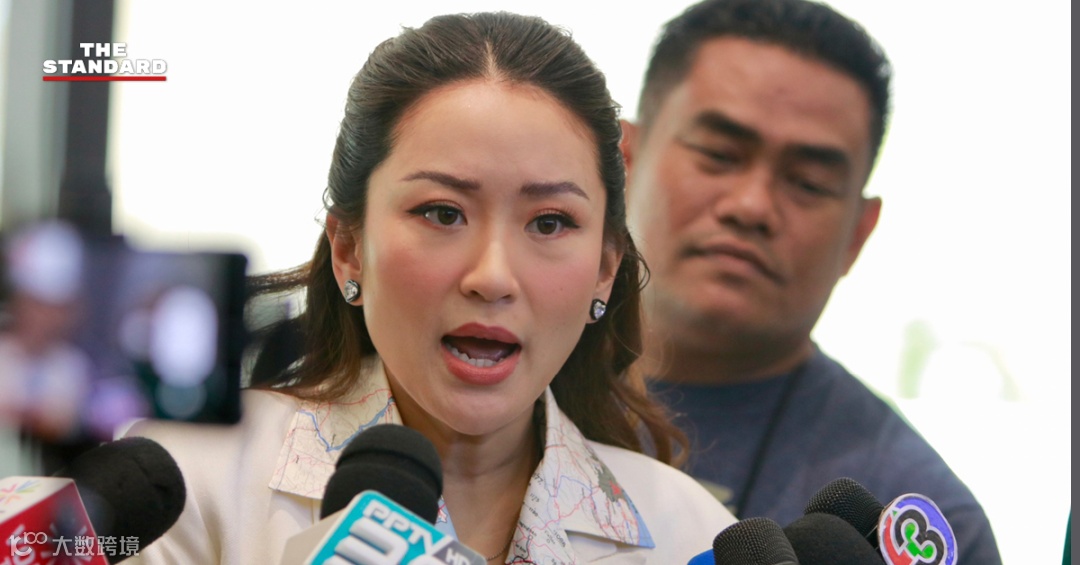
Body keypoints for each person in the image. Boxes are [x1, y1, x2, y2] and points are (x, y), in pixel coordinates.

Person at [125, 11, 735, 565]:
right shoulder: (183, 484)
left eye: (549, 223)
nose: (492, 277)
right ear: (349, 248)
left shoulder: (689, 536)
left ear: (605, 268)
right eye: (443, 214)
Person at [619, 0, 1001, 562]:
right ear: (624, 162)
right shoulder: (494, 396)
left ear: (858, 235)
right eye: (719, 154)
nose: (752, 205)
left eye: (809, 182)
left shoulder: (913, 526)